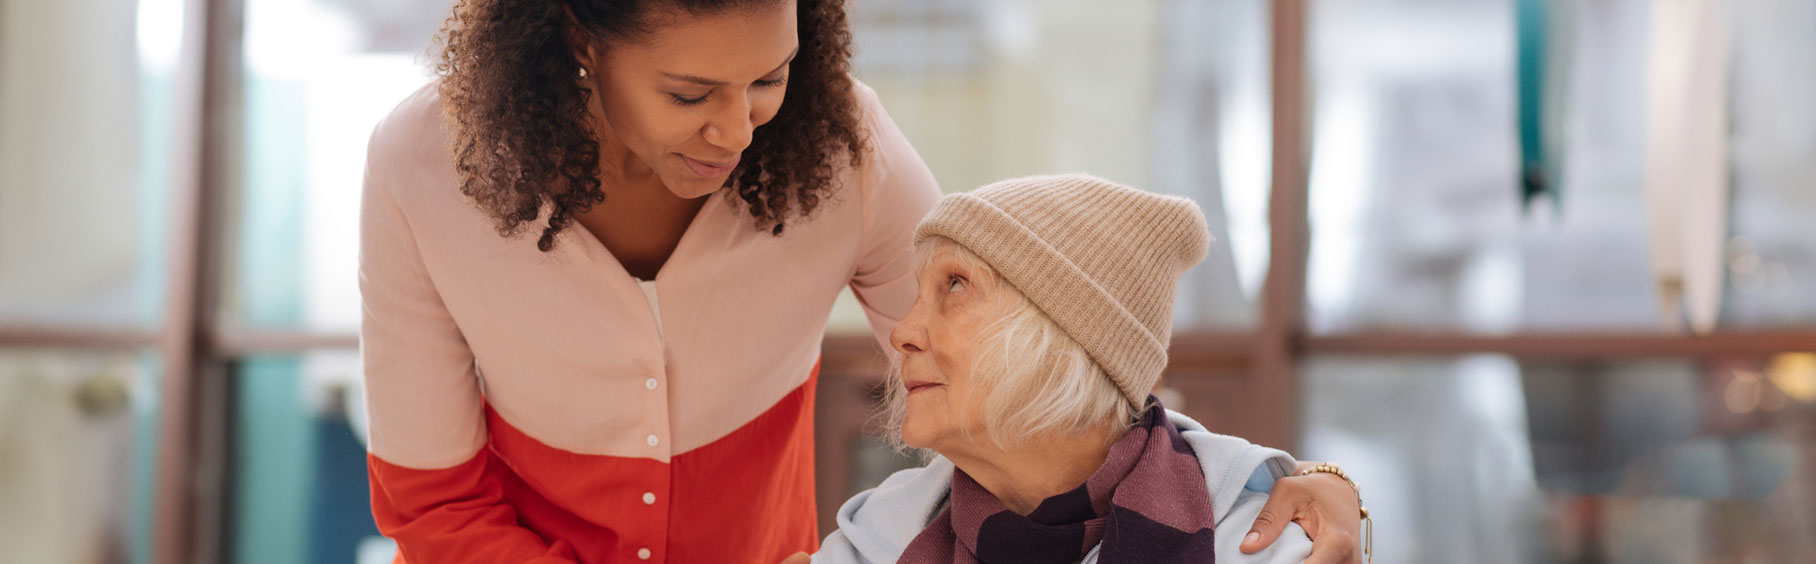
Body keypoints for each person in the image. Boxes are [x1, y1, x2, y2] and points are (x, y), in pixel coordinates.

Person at [360, 0, 1364, 561]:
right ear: (578, 43)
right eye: (688, 92)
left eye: (769, 76)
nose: (738, 126)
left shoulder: (840, 143)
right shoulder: (419, 168)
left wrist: (1269, 477)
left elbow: (1023, 365)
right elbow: (434, 502)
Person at [787, 174, 1315, 564]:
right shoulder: (877, 536)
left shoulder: (1263, 548)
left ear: (1068, 342)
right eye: (918, 294)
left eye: (955, 285)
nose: (903, 331)